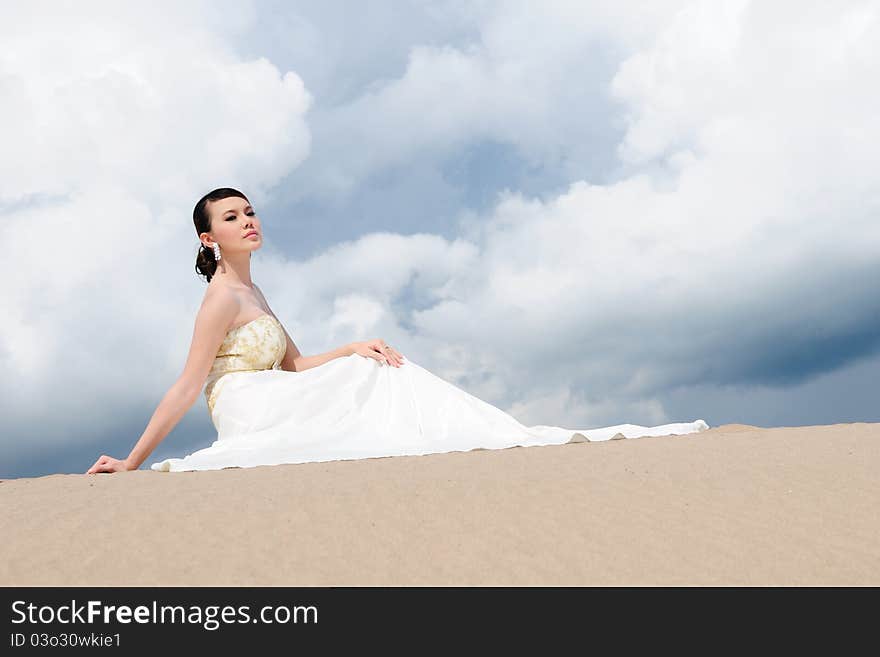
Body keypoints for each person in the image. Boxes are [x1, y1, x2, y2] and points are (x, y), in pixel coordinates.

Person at [87, 188, 709, 474]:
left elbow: (295, 366)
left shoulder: (256, 290)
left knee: (375, 363)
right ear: (208, 237)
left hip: (275, 390)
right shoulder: (220, 297)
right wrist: (136, 461)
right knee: (364, 387)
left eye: (249, 211)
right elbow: (190, 383)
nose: (247, 220)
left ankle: (486, 432)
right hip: (246, 406)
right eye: (230, 217)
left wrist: (354, 345)